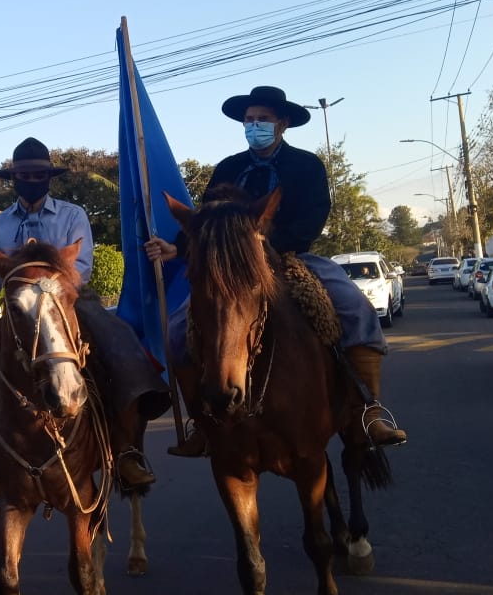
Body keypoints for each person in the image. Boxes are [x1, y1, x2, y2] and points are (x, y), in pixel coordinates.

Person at [145, 85, 407, 454]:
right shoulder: (228, 168)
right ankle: (203, 423)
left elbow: (314, 216)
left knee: (355, 307)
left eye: (262, 120)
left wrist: (270, 246)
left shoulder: (306, 165)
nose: (254, 125)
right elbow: (206, 223)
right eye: (249, 120)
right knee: (175, 330)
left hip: (292, 257)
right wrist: (177, 247)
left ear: (282, 124)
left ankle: (370, 411)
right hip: (235, 270)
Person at [0, 137, 171, 499]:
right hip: (21, 312)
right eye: (23, 174)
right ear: (13, 178)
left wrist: (50, 286)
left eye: (37, 173)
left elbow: (82, 268)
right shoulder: (0, 224)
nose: (30, 179)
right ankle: (1, 462)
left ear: (48, 177)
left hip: (71, 303)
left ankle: (127, 453)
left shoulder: (73, 215)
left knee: (126, 359)